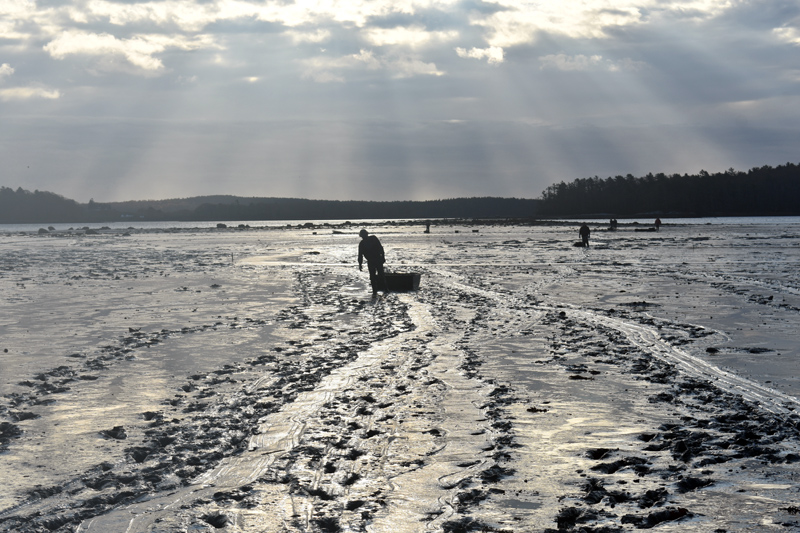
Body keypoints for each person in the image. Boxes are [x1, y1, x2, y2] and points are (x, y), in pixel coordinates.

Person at [358, 229, 389, 295]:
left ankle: (385, 289)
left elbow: (381, 248)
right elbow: (360, 255)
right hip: (372, 260)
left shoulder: (373, 238)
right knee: (373, 276)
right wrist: (360, 264)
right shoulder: (362, 243)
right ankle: (376, 290)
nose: (364, 236)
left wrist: (383, 257)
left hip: (377, 259)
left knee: (380, 275)